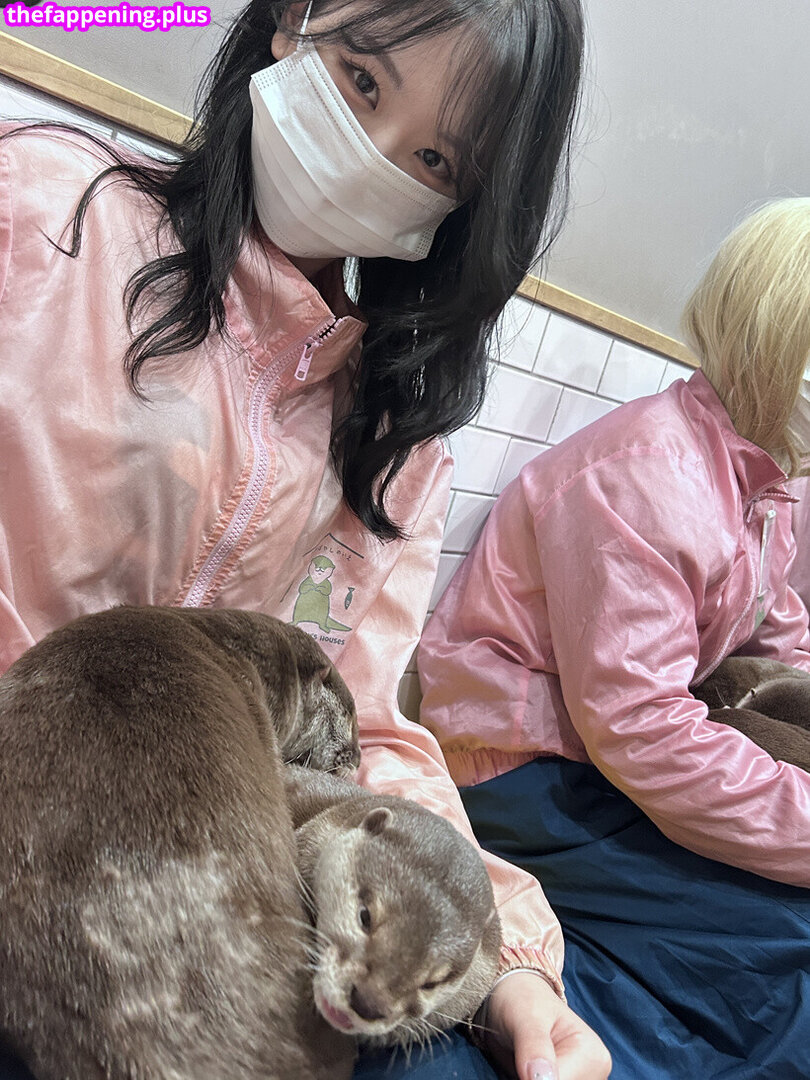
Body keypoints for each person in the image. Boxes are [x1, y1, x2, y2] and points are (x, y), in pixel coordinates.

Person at [0, 1, 613, 1078]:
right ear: (295, 20)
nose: (373, 157)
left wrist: (505, 959)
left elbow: (365, 730)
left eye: (433, 159)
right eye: (363, 81)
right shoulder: (44, 211)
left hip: (196, 905)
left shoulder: (395, 449)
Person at [418, 198, 810, 1079]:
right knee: (783, 957)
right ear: (777, 338)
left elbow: (781, 635)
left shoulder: (763, 484)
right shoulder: (649, 478)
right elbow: (644, 731)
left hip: (605, 758)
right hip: (523, 770)